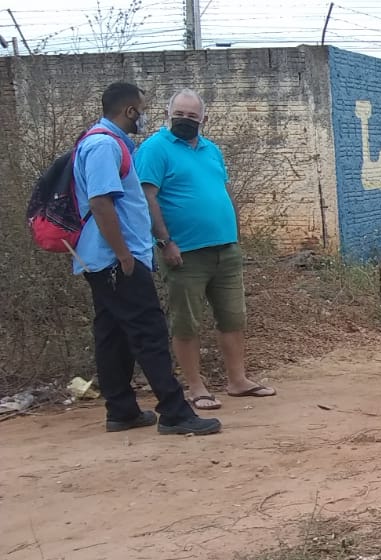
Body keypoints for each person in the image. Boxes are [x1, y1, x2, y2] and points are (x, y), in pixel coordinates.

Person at [72, 82, 220, 436]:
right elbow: (100, 202)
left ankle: (121, 410)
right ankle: (174, 412)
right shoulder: (104, 145)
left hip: (106, 258)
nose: (145, 115)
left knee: (113, 334)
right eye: (142, 109)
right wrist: (124, 255)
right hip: (115, 259)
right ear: (130, 112)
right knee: (149, 331)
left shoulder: (106, 143)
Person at [135, 89, 275, 412]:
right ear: (168, 115)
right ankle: (195, 386)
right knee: (187, 322)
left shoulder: (212, 150)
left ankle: (237, 380)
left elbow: (223, 191)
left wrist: (235, 234)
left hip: (225, 250)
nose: (185, 121)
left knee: (233, 317)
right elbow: (148, 198)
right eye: (179, 115)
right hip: (183, 253)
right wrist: (164, 242)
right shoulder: (155, 149)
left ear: (203, 119)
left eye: (192, 116)